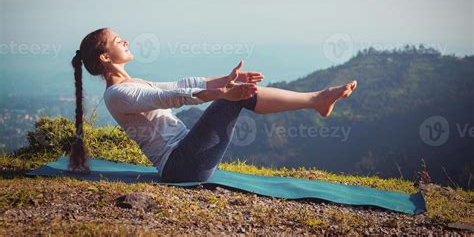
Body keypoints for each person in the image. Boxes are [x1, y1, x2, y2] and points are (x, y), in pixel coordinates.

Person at [70, 28, 357, 182]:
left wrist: (226, 80)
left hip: (186, 158)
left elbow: (178, 85)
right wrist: (223, 93)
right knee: (232, 99)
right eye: (119, 41)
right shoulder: (117, 95)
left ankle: (316, 100)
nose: (126, 41)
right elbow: (172, 98)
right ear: (105, 57)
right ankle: (317, 100)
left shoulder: (132, 84)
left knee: (235, 93)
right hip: (181, 168)